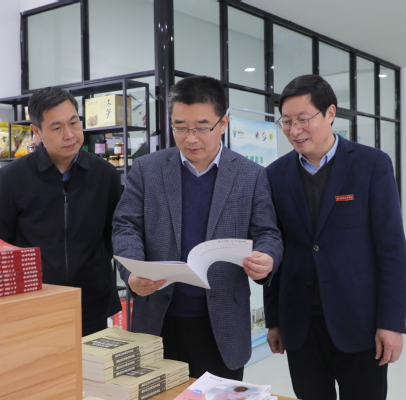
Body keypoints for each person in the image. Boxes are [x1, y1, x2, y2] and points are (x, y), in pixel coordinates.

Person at [112, 75, 283, 380]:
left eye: (202, 128)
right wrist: (132, 273)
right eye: (180, 127)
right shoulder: (147, 169)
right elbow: (126, 226)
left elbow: (267, 232)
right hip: (158, 319)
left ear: (223, 123)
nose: (190, 139)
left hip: (223, 325)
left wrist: (267, 256)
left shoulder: (251, 175)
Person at [264, 74, 406, 400]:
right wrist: (274, 320)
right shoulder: (275, 175)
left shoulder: (371, 165)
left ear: (330, 113)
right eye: (286, 121)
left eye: (303, 119)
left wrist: (391, 322)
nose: (294, 130)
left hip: (361, 323)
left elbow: (391, 251)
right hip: (301, 325)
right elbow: (275, 250)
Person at [0, 87, 122, 336]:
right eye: (57, 128)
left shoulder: (105, 174)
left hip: (91, 300)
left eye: (74, 123)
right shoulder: (12, 177)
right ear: (36, 132)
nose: (69, 135)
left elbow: (114, 234)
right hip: (33, 301)